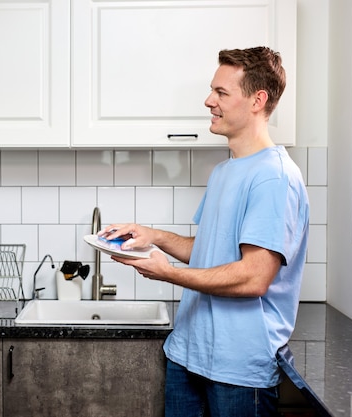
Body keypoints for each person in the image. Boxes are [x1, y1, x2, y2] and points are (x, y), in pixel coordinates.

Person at [99, 47, 309, 417]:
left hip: (238, 369)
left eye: (222, 93)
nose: (209, 100)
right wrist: (153, 235)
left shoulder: (275, 178)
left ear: (258, 100)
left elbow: (254, 277)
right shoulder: (226, 171)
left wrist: (169, 275)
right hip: (188, 355)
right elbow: (212, 249)